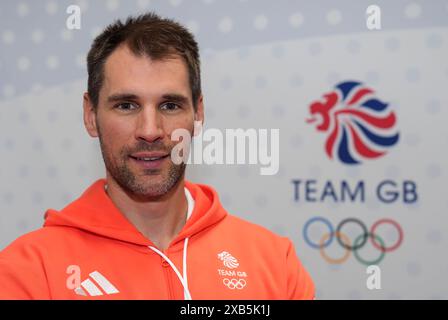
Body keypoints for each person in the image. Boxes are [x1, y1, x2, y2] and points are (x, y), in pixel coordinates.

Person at [0, 12, 314, 300]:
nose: (150, 131)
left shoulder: (274, 262)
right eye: (126, 105)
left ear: (198, 113)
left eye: (170, 105)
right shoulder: (28, 271)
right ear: (91, 114)